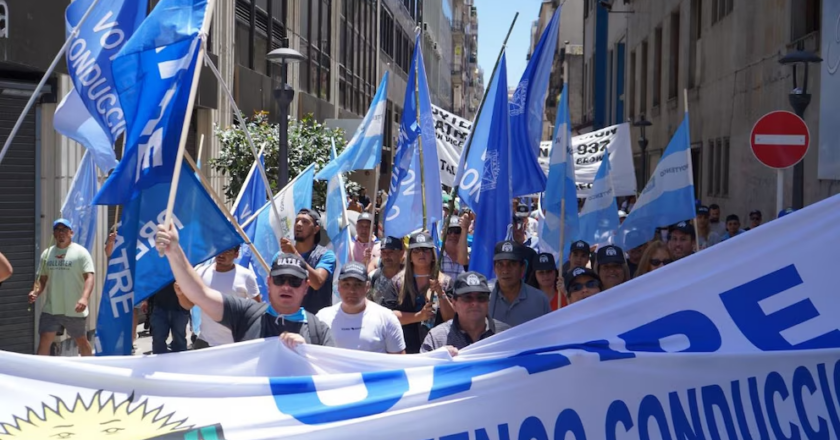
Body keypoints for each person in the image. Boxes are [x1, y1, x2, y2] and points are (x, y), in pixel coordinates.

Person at [157, 222, 334, 348]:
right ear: (269, 283)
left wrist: (309, 353)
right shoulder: (247, 314)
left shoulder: (319, 330)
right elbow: (200, 294)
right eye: (280, 280)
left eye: (295, 282)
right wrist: (173, 250)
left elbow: (333, 381)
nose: (286, 287)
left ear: (305, 287)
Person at [28, 219, 95, 356]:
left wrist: (84, 298)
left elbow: (89, 277)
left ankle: (89, 369)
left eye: (64, 230)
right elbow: (42, 279)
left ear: (71, 233)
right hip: (52, 308)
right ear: (54, 233)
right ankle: (40, 372)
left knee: (81, 341)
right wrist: (35, 292)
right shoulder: (47, 254)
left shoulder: (81, 253)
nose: (61, 233)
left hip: (75, 308)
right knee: (45, 340)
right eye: (57, 230)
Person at [385, 231, 454, 354]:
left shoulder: (445, 282)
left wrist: (440, 293)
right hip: (406, 349)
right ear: (410, 256)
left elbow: (452, 319)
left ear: (433, 254)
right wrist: (419, 317)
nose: (421, 253)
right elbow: (388, 317)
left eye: (426, 250)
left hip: (438, 349)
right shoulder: (397, 283)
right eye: (416, 250)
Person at [316, 262, 405, 354]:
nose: (351, 290)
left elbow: (399, 360)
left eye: (358, 285)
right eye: (346, 284)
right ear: (338, 286)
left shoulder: (386, 318)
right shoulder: (322, 318)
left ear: (367, 286)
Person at [183, 246, 260, 349]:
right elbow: (188, 305)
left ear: (236, 254)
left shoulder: (246, 276)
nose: (221, 254)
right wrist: (180, 293)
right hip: (205, 341)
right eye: (219, 249)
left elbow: (257, 309)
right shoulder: (201, 273)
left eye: (227, 251)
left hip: (236, 343)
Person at [421, 272, 510, 355]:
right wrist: (438, 358)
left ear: (488, 302)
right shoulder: (436, 339)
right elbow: (422, 369)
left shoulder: (507, 335)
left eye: (481, 297)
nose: (475, 303)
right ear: (454, 303)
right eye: (467, 298)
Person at [279, 209, 336, 315]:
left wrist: (294, 254)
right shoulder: (280, 256)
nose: (299, 225)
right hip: (287, 318)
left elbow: (317, 282)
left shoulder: (326, 255)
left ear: (316, 229)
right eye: (297, 221)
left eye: (305, 222)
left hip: (315, 322)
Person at [489, 241, 551, 327]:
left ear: (523, 267)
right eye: (500, 264)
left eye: (512, 264)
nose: (505, 270)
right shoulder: (484, 298)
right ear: (494, 268)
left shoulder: (539, 300)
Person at [150, 282, 189, 354]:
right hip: (160, 306)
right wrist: (144, 300)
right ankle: (159, 363)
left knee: (180, 339)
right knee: (158, 339)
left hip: (180, 306)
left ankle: (182, 363)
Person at [369, 236, 405, 305]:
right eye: (383, 252)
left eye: (391, 252)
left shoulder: (409, 278)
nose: (386, 256)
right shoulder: (373, 276)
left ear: (401, 253)